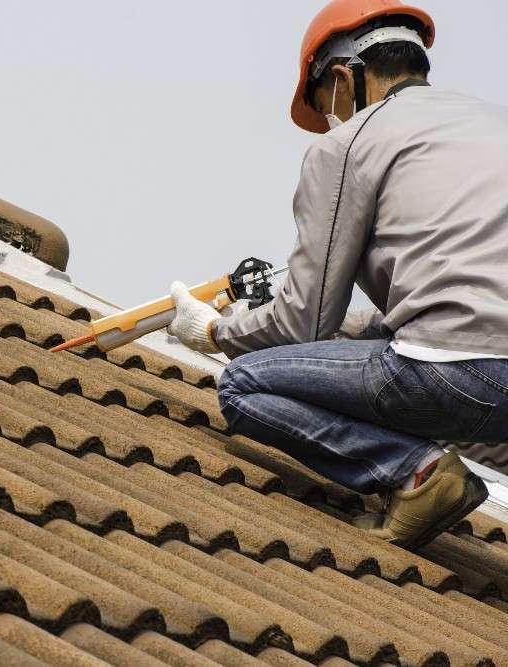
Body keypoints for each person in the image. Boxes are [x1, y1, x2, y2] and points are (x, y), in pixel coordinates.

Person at [166, 0, 508, 550]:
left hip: (456, 372)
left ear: (345, 79)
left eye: (327, 104)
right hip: (486, 378)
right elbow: (431, 306)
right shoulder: (494, 122)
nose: (330, 120)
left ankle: (416, 474)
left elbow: (303, 319)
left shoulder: (350, 143)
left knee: (245, 383)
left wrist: (214, 332)